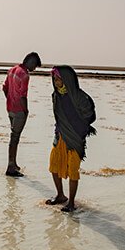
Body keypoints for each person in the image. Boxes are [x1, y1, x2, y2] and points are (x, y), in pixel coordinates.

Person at [46, 66, 96, 212]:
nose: (55, 82)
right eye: (54, 79)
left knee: (73, 169)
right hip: (60, 135)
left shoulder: (80, 97)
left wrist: (78, 129)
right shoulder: (55, 96)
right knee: (53, 165)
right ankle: (60, 195)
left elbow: (90, 116)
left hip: (75, 138)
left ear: (67, 80)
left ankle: (72, 202)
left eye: (58, 79)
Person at [2, 52, 42, 177]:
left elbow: (4, 88)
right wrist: (26, 110)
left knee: (14, 136)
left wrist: (10, 99)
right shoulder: (24, 75)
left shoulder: (12, 70)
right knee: (15, 138)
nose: (34, 69)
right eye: (35, 65)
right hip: (19, 110)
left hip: (10, 109)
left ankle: (13, 163)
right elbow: (23, 96)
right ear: (30, 62)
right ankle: (10, 167)